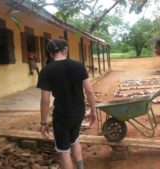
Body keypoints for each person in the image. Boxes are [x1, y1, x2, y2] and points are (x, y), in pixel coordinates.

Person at [37, 39, 96, 169]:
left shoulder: (46, 71)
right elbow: (89, 91)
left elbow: (45, 101)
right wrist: (93, 111)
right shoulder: (79, 65)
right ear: (65, 50)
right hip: (79, 112)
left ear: (51, 53)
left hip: (62, 115)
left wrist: (43, 123)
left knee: (64, 152)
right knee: (74, 140)